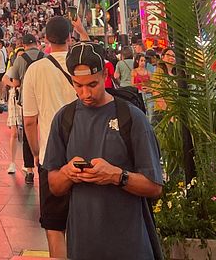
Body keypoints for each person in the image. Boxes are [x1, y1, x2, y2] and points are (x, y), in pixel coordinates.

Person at [45, 43, 163, 260]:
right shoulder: (64, 119)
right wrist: (68, 173)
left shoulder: (132, 118)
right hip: (83, 246)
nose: (85, 93)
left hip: (130, 246)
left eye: (92, 84)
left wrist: (117, 176)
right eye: (77, 85)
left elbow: (154, 187)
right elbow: (54, 185)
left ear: (106, 75)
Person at [21, 17, 79, 258]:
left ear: (45, 39)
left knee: (55, 226)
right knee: (85, 221)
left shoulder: (35, 69)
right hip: (86, 152)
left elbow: (30, 120)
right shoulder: (81, 65)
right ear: (69, 38)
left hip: (50, 157)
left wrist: (35, 152)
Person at [3, 31, 43, 185]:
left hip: (27, 100)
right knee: (45, 131)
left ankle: (30, 169)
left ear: (24, 45)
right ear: (36, 43)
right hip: (43, 97)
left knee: (28, 133)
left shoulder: (20, 59)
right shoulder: (45, 58)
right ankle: (44, 162)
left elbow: (16, 82)